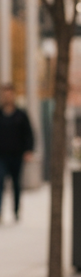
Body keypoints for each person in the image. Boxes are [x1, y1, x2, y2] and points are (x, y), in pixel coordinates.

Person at [0, 83, 34, 222]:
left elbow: (29, 134)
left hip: (17, 155)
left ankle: (16, 211)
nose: (7, 97)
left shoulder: (21, 115)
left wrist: (28, 150)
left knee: (16, 183)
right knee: (0, 181)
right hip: (2, 156)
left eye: (9, 94)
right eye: (4, 94)